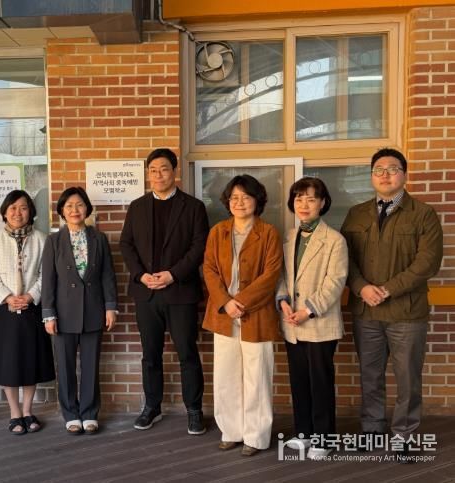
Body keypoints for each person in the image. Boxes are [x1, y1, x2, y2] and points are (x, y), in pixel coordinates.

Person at [341, 148, 443, 462]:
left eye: (393, 168)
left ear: (405, 174)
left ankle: (404, 437)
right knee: (370, 376)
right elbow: (345, 259)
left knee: (407, 379)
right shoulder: (356, 214)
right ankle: (372, 430)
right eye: (379, 169)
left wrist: (386, 290)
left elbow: (427, 263)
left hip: (406, 313)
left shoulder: (423, 214)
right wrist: (361, 288)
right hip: (366, 311)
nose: (385, 174)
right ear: (372, 176)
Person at [120, 148, 209, 435]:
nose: (158, 175)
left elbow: (199, 247)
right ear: (148, 174)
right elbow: (126, 244)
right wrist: (141, 275)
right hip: (146, 292)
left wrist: (172, 275)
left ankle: (194, 410)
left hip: (180, 292)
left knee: (187, 353)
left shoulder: (193, 207)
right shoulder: (137, 207)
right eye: (153, 170)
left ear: (174, 172)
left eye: (164, 169)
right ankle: (152, 407)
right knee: (150, 355)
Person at [202, 174, 282, 456]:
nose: (239, 202)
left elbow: (271, 274)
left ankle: (256, 436)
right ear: (227, 202)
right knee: (226, 376)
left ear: (257, 201)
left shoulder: (269, 233)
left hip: (256, 314)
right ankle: (231, 431)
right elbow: (209, 269)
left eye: (246, 197)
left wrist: (242, 302)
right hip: (224, 315)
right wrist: (226, 302)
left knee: (257, 377)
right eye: (234, 198)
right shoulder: (218, 231)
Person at [275, 177, 348, 460]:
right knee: (299, 381)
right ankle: (303, 432)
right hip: (291, 322)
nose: (304, 205)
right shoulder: (289, 236)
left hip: (318, 322)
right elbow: (282, 275)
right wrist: (283, 301)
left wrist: (308, 309)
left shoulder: (335, 240)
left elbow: (335, 281)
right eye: (298, 199)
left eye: (311, 199)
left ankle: (324, 438)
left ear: (323, 203)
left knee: (320, 383)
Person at [42, 187, 117, 435]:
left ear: (87, 209)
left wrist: (110, 307)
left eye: (80, 205)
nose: (75, 210)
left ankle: (90, 413)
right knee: (64, 367)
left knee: (90, 365)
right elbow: (48, 281)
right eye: (69, 206)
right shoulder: (53, 241)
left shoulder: (99, 239)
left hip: (94, 310)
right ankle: (71, 414)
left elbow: (107, 275)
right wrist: (48, 314)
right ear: (62, 211)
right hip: (63, 313)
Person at [0, 190, 55, 435]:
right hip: (5, 308)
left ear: (30, 212)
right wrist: (7, 297)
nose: (17, 213)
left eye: (23, 208)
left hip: (32, 307)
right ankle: (14, 413)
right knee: (8, 361)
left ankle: (27, 410)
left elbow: (46, 274)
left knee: (30, 359)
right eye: (12, 208)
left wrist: (30, 296)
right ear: (5, 211)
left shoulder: (42, 239)